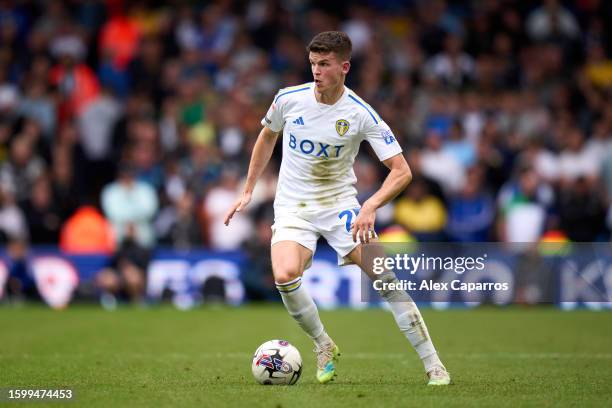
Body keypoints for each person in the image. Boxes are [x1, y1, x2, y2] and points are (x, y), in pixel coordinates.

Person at [224, 31, 450, 385]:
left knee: (386, 279)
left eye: (324, 64)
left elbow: (402, 171)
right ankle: (323, 344)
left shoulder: (361, 114)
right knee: (284, 275)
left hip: (340, 206)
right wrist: (248, 188)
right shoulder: (288, 99)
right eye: (313, 63)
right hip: (293, 206)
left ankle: (434, 364)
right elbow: (267, 137)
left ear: (344, 67)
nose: (316, 71)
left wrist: (371, 205)